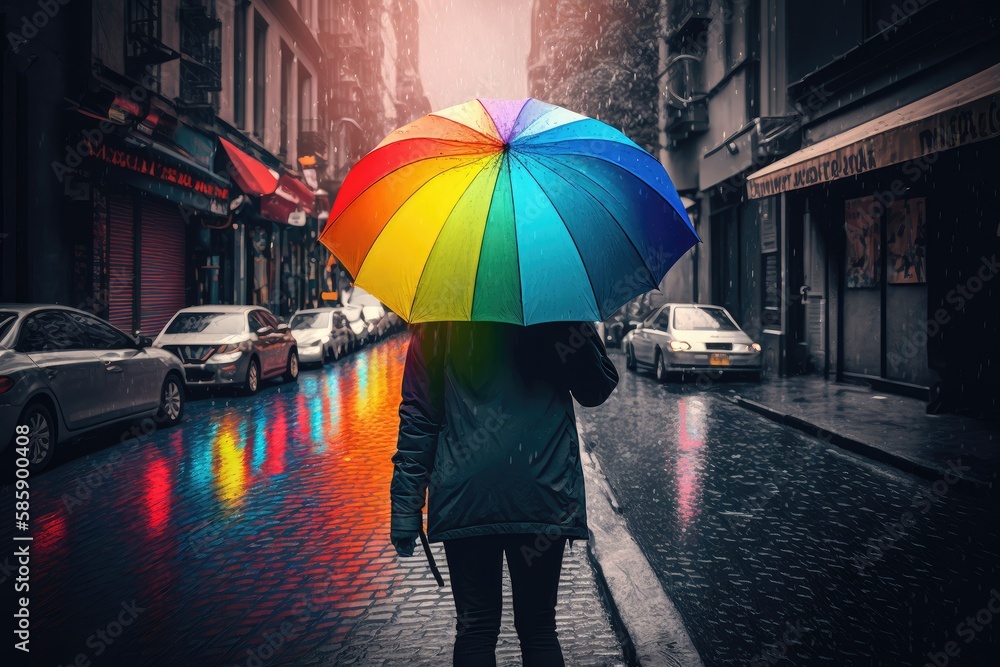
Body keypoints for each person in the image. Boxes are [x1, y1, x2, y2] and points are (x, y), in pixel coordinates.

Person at [390, 320, 619, 667]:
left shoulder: (439, 318)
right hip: (543, 488)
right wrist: (575, 325)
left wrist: (406, 507)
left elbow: (419, 413)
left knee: (475, 629)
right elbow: (596, 388)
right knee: (539, 628)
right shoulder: (553, 304)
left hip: (467, 493)